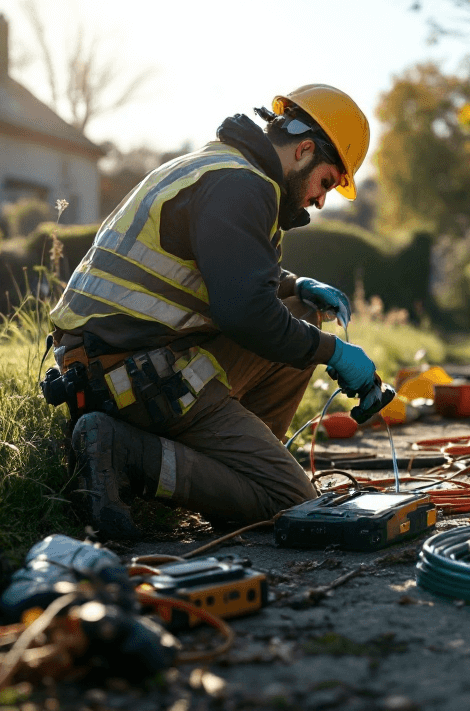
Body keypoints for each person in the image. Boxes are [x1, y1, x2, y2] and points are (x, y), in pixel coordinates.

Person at [44, 84, 384, 540]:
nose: (321, 201)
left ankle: (235, 474)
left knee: (302, 310)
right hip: (132, 375)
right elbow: (247, 313)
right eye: (326, 182)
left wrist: (294, 285)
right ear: (304, 150)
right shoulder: (243, 186)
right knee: (289, 502)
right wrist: (333, 352)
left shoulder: (222, 166)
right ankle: (125, 451)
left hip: (117, 359)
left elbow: (226, 268)